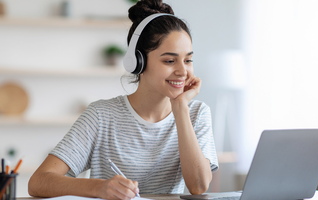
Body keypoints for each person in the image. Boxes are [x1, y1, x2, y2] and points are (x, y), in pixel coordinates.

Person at [28, 0, 218, 199]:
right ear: (138, 62)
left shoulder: (196, 113)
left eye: (188, 60)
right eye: (169, 61)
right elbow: (38, 182)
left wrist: (180, 109)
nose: (182, 71)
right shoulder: (101, 116)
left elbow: (198, 186)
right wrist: (98, 188)